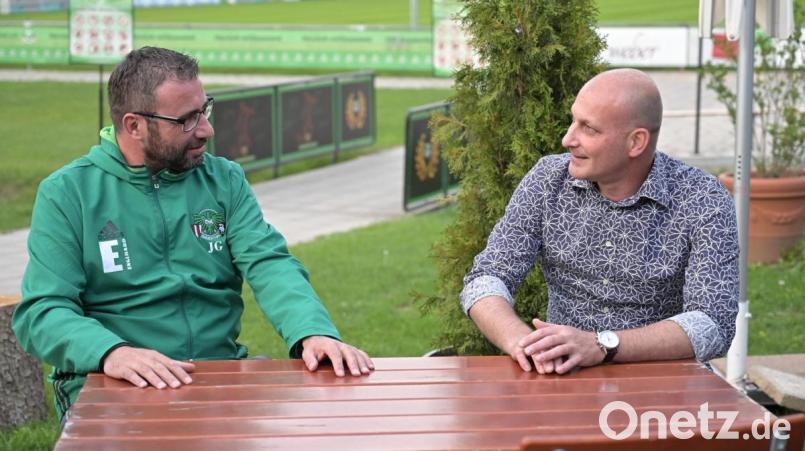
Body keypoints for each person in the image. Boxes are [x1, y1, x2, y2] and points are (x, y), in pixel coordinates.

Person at [12, 47, 374, 420]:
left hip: (214, 376)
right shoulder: (68, 193)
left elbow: (269, 263)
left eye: (205, 110)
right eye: (186, 119)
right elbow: (43, 311)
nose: (206, 130)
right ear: (134, 126)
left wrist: (312, 332)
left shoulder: (224, 179)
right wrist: (111, 353)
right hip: (110, 383)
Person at [460, 68, 738, 375]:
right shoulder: (547, 179)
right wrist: (526, 345)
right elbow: (485, 278)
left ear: (636, 142)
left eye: (589, 129)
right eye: (573, 121)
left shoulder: (702, 198)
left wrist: (602, 345)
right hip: (562, 378)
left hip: (663, 382)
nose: (568, 139)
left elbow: (712, 324)